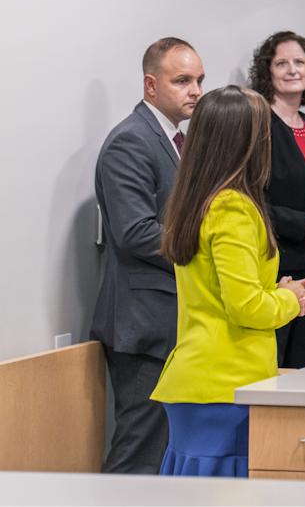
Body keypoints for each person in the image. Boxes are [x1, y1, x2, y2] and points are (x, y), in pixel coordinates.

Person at [151, 85, 305, 477]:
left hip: (202, 381)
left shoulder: (198, 199)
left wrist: (273, 291)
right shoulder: (233, 207)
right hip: (224, 385)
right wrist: (290, 300)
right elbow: (246, 308)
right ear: (248, 141)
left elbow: (220, 292)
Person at [90, 37, 205, 474]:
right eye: (182, 81)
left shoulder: (177, 139)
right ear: (150, 85)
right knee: (139, 451)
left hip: (171, 323)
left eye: (198, 80)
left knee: (163, 451)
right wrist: (206, 257)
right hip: (142, 327)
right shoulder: (130, 141)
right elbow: (136, 232)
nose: (195, 90)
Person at [248, 31, 305, 369]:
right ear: (266, 72)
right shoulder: (257, 125)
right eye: (281, 63)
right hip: (282, 262)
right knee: (280, 364)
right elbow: (250, 201)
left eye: (299, 62)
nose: (292, 69)